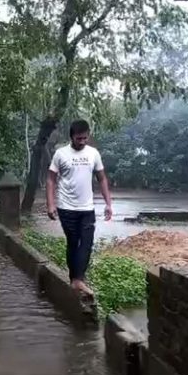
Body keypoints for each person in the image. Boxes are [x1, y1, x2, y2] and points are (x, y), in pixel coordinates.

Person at [46, 119, 113, 298]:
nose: (82, 141)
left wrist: (108, 203)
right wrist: (51, 204)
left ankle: (78, 280)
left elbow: (102, 178)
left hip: (87, 207)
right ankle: (75, 279)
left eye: (85, 138)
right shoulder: (61, 154)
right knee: (73, 243)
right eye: (79, 139)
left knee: (87, 242)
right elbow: (51, 179)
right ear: (72, 137)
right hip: (66, 208)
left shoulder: (93, 154)